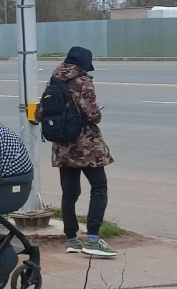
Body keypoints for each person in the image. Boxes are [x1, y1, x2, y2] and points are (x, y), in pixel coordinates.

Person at [35, 46, 116, 257]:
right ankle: (92, 240)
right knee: (99, 187)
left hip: (62, 146)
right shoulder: (83, 81)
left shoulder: (54, 81)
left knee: (69, 193)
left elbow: (40, 112)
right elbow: (92, 114)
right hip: (86, 146)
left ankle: (71, 239)